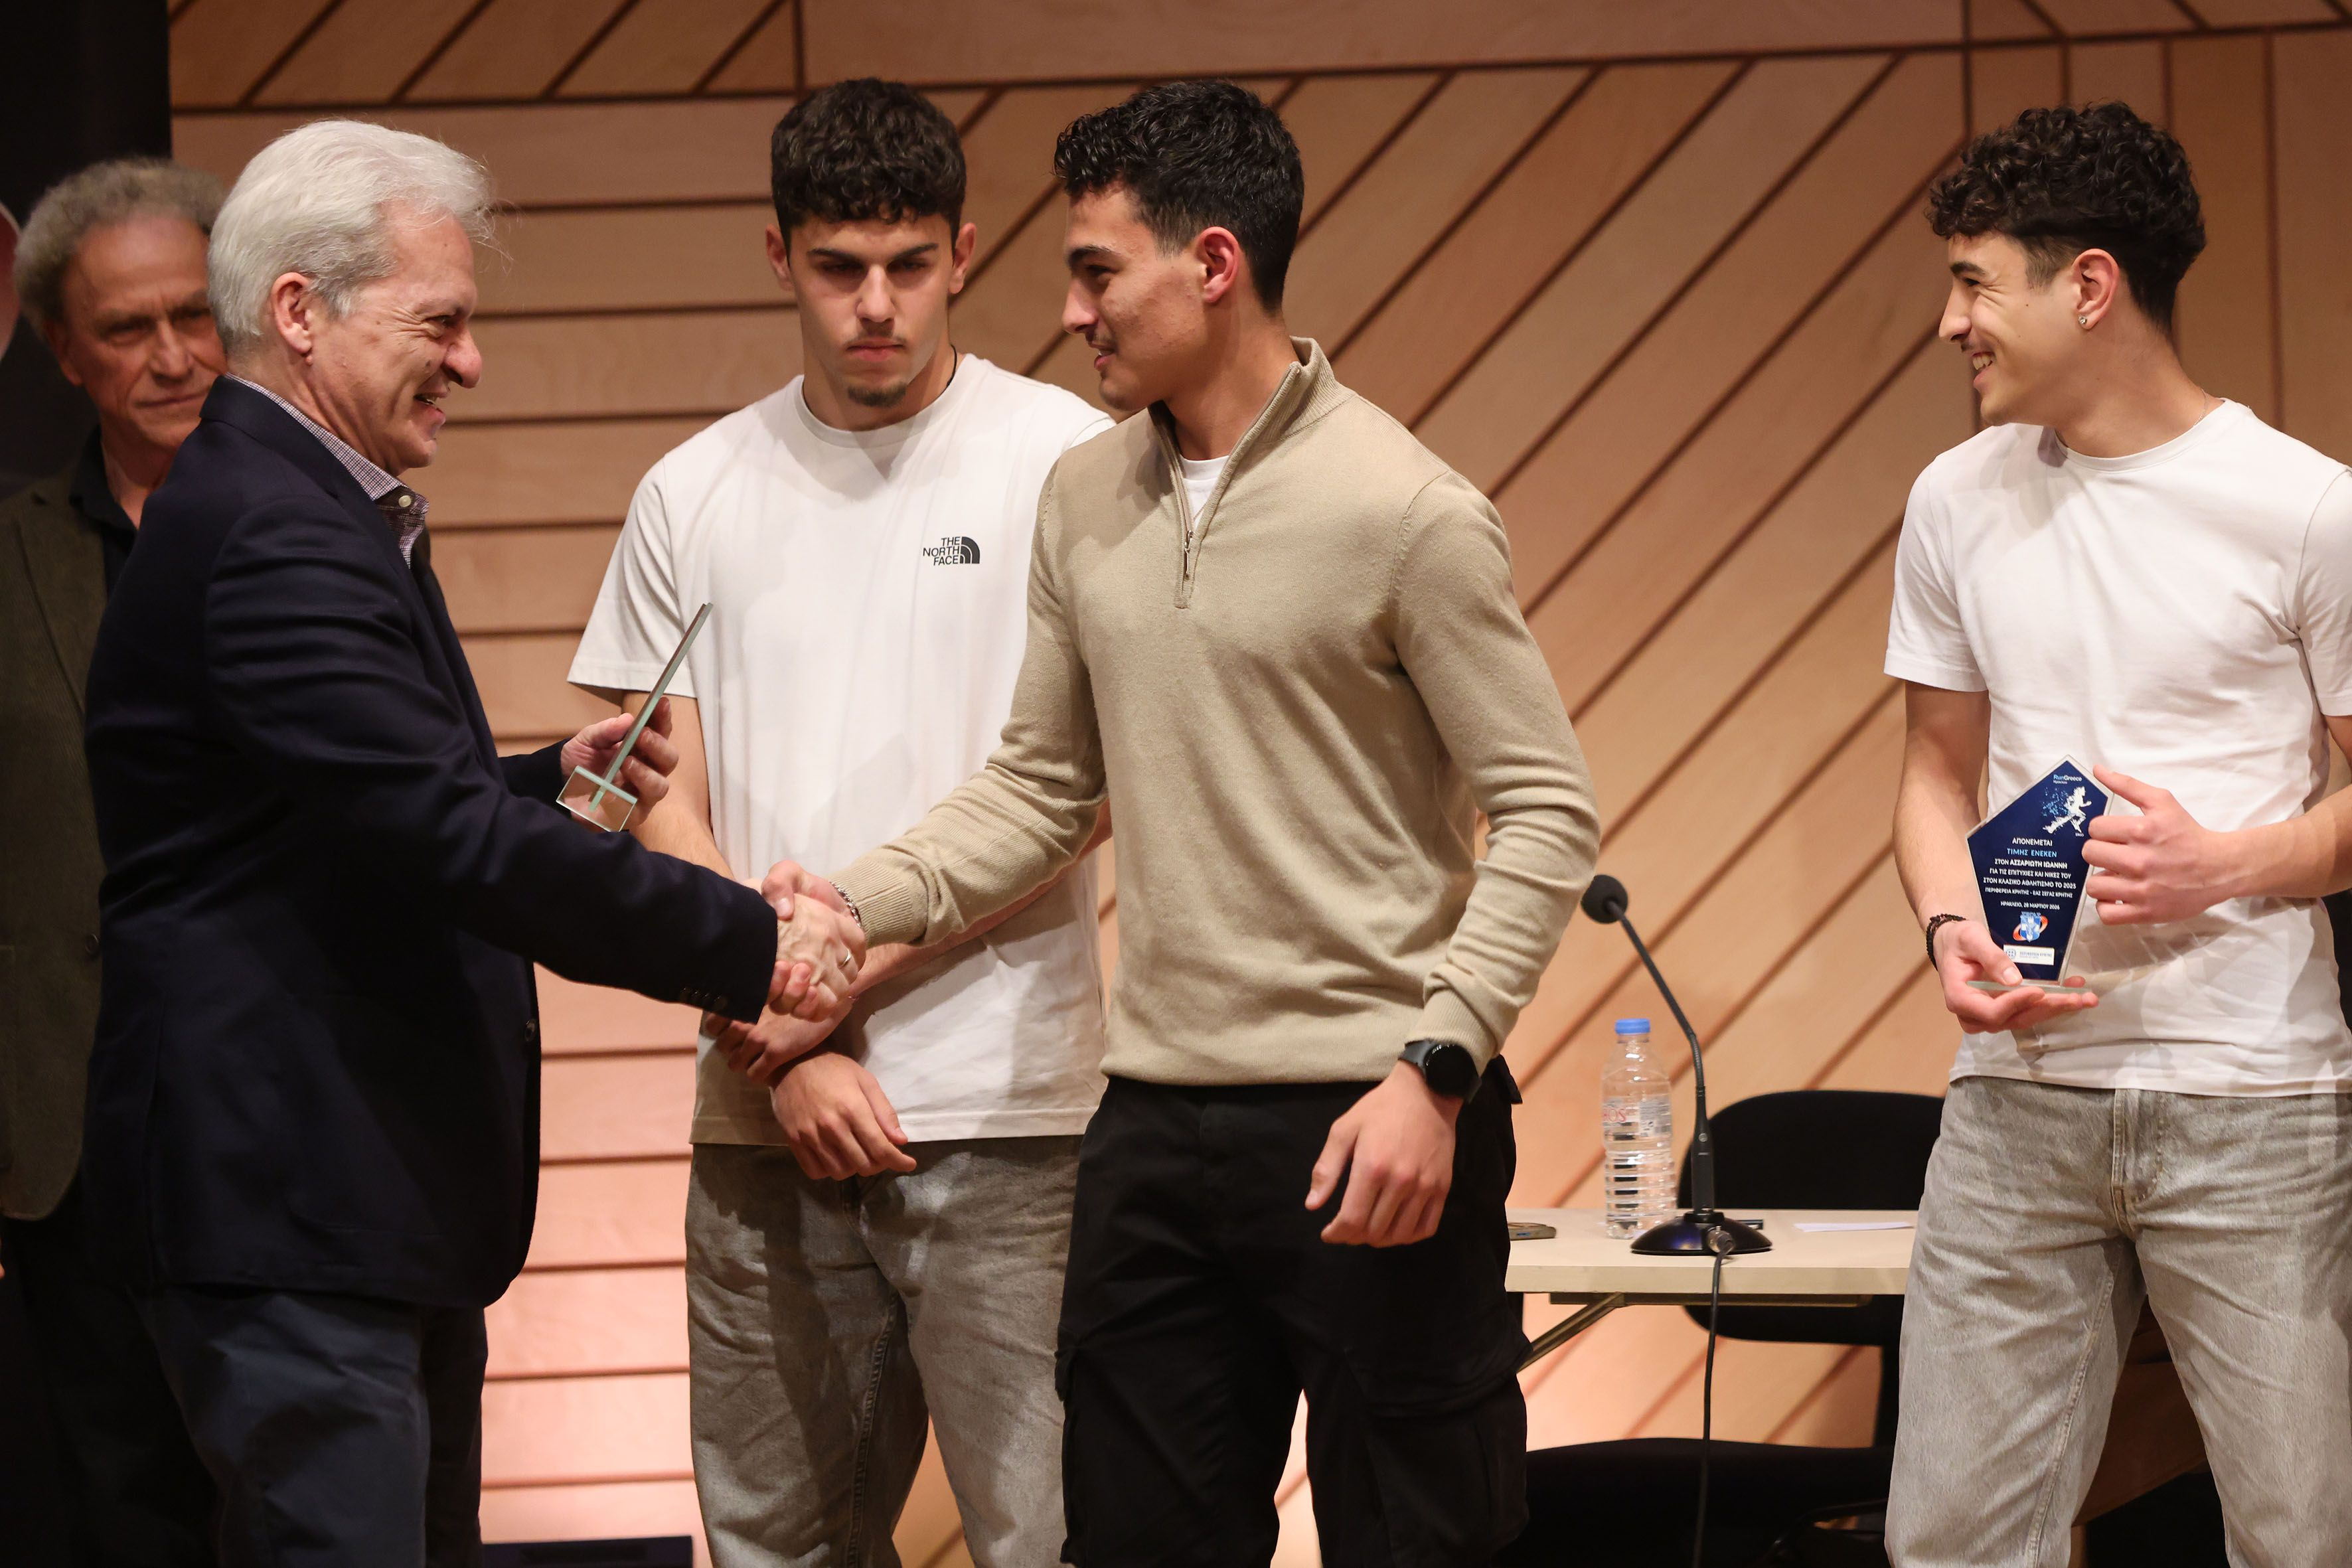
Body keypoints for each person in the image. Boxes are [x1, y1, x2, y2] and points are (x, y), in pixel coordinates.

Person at [757, 81, 1599, 1564]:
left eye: (1097, 272)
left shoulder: (1404, 508)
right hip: (1149, 1127)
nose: (1070, 311)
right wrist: (844, 904)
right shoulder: (1083, 495)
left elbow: (1546, 808)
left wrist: (1439, 1067)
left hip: (1379, 1108)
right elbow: (1040, 786)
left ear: (1213, 264)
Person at [78, 119, 862, 1567]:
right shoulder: (272, 528)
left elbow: (342, 811)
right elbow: (443, 838)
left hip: (351, 1203)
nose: (472, 360)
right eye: (439, 323)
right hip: (293, 1201)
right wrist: (757, 943)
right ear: (300, 311)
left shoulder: (296, 503)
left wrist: (537, 782)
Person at [568, 80, 1112, 1568]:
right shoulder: (691, 489)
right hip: (758, 1112)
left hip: (1009, 1112)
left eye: (910, 264)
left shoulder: (1067, 458)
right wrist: (785, 1035)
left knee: (1050, 1540)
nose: (875, 305)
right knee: (774, 1546)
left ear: (964, 251)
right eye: (837, 266)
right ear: (778, 255)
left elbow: (1085, 787)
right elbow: (651, 790)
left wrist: (834, 983)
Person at [1886, 103, 2352, 1565]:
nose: (1949, 321)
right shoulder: (1953, 499)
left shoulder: (2306, 509)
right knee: (1950, 1539)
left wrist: (2229, 860)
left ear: (2086, 285)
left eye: (1973, 282)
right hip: (2018, 1091)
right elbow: (1930, 774)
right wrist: (1948, 928)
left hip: (2253, 1097)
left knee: (2296, 1537)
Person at [0, 155, 224, 1568]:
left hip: (288, 1126)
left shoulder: (346, 535)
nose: (171, 356)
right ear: (62, 349)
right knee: (126, 1521)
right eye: (128, 328)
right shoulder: (6, 553)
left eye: (193, 315)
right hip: (72, 1144)